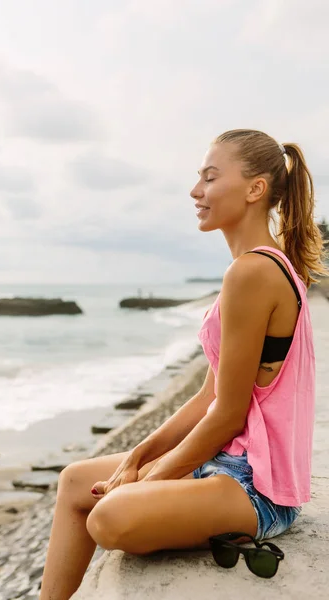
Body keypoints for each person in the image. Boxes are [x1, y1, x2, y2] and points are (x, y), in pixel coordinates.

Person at [40, 129, 328, 600]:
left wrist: (152, 478)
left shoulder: (253, 272)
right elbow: (208, 395)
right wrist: (137, 457)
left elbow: (229, 414)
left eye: (210, 178)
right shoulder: (251, 269)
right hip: (224, 463)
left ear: (255, 189)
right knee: (75, 480)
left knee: (109, 516)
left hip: (257, 488)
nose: (196, 191)